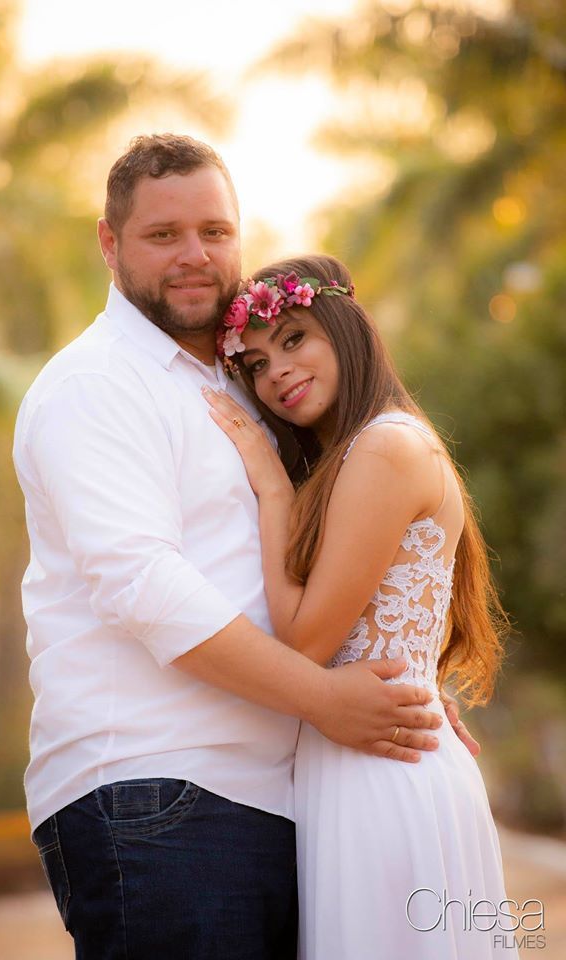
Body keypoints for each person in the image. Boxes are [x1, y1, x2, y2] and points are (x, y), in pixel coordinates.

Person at [13, 134, 472, 959]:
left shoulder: (247, 385)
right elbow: (145, 587)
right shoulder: (95, 384)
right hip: (156, 791)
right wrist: (326, 697)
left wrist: (400, 683)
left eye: (215, 232)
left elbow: (342, 560)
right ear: (109, 243)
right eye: (163, 235)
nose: (195, 255)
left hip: (283, 796)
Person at [205, 253, 516, 959]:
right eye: (255, 364)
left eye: (294, 339)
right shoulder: (354, 458)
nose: (276, 372)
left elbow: (305, 644)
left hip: (383, 774)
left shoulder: (384, 448)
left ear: (346, 330)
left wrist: (272, 489)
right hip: (364, 762)